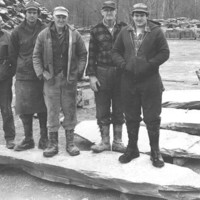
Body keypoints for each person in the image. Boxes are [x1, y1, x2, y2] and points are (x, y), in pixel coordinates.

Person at [111, 3, 170, 167]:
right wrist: (123, 65)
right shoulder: (125, 31)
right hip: (129, 81)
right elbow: (115, 51)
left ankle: (155, 152)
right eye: (136, 15)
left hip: (150, 81)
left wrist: (150, 64)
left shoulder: (156, 32)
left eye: (142, 15)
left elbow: (165, 52)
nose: (139, 18)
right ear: (132, 16)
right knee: (131, 116)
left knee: (152, 118)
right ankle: (132, 149)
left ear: (147, 16)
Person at [32, 6, 87, 158]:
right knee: (52, 111)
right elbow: (36, 56)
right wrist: (41, 73)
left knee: (70, 110)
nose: (61, 20)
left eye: (64, 17)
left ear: (67, 18)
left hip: (69, 79)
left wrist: (78, 73)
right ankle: (53, 144)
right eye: (58, 17)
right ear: (53, 18)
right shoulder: (44, 34)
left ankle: (70, 143)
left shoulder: (74, 34)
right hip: (50, 79)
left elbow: (83, 54)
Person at [86, 0, 126, 153]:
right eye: (106, 10)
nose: (109, 13)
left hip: (120, 74)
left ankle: (117, 141)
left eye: (112, 10)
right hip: (102, 72)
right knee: (102, 108)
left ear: (116, 12)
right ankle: (104, 141)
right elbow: (91, 55)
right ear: (102, 12)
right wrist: (91, 76)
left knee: (119, 108)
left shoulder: (124, 28)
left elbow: (129, 52)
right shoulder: (96, 30)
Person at [9, 0, 48, 151]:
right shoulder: (17, 31)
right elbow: (12, 55)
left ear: (38, 14)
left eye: (34, 13)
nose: (31, 15)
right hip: (24, 75)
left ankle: (44, 138)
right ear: (25, 14)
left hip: (41, 74)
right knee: (24, 108)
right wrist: (23, 65)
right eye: (29, 12)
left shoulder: (45, 29)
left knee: (43, 107)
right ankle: (28, 139)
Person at [0, 16, 16, 149]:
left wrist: (10, 73)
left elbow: (13, 57)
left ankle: (10, 138)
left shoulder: (7, 37)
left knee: (6, 109)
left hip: (4, 79)